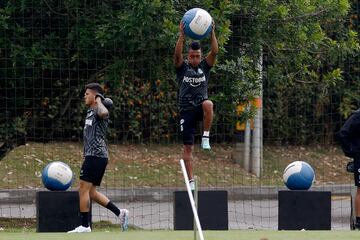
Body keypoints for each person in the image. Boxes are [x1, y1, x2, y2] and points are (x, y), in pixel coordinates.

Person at [68, 83, 129, 233]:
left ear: (95, 96)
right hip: (94, 156)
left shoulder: (99, 110)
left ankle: (85, 226)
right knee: (91, 192)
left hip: (96, 156)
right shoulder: (90, 111)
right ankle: (120, 213)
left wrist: (100, 100)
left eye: (87, 94)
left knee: (82, 189)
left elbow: (104, 114)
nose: (84, 96)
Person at [174, 20, 218, 189]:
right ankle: (190, 181)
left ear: (200, 56)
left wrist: (212, 32)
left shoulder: (205, 67)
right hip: (186, 111)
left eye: (197, 56)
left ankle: (205, 137)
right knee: (187, 149)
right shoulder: (182, 68)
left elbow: (214, 51)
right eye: (192, 56)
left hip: (200, 107)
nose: (194, 59)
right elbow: (177, 54)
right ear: (188, 56)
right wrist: (182, 35)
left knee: (209, 104)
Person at [338, 108, 360, 229]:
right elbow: (343, 133)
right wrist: (352, 151)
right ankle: (359, 222)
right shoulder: (357, 115)